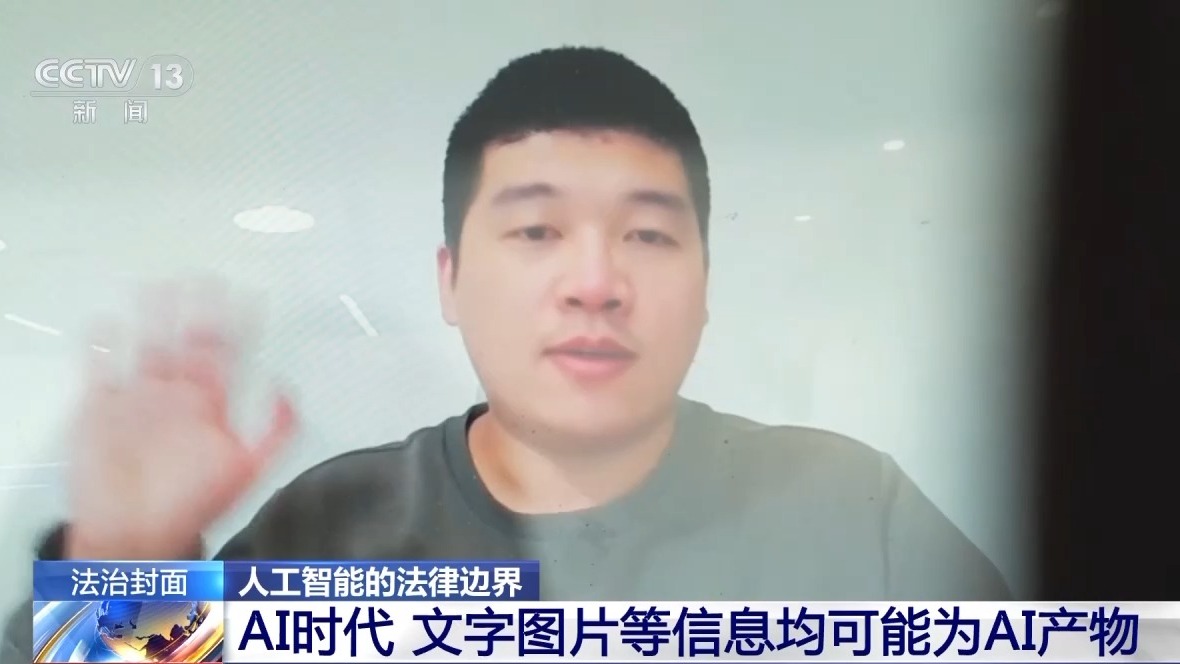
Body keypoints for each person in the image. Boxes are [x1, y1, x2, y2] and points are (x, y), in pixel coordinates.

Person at [2, 45, 1009, 661]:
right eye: (535, 230)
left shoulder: (850, 508)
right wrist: (118, 563)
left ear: (704, 283)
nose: (594, 281)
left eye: (648, 233)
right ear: (450, 280)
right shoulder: (331, 527)